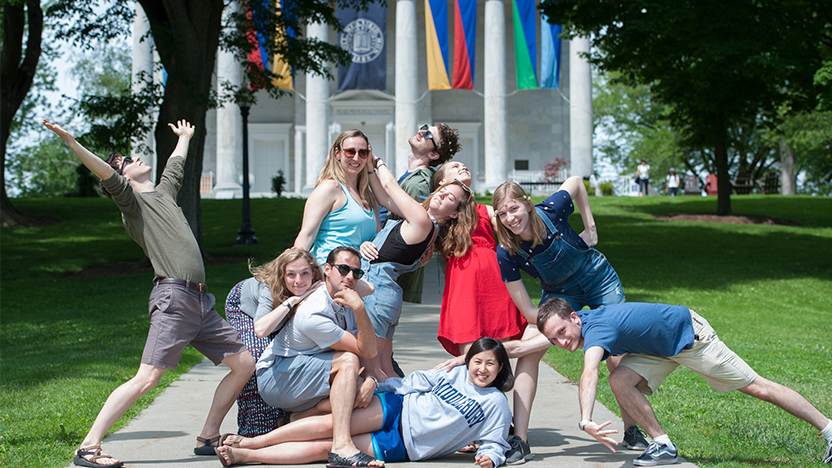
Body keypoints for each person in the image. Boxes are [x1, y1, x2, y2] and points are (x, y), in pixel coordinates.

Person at [43, 118, 255, 468]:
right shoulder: (132, 204)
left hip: (201, 302)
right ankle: (89, 446)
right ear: (123, 178)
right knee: (148, 378)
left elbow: (175, 167)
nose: (136, 159)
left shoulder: (164, 194)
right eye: (127, 162)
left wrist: (185, 138)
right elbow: (105, 172)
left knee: (244, 362)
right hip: (174, 299)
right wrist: (72, 142)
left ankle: (207, 436)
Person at [538, 298, 832, 466]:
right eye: (554, 339)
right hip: (659, 348)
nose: (562, 341)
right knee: (621, 380)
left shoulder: (597, 328)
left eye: (563, 331)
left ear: (575, 317)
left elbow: (590, 372)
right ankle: (663, 444)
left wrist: (585, 420)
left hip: (690, 338)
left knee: (757, 387)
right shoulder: (585, 326)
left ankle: (829, 428)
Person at [490, 179, 642, 462]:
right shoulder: (506, 252)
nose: (511, 218)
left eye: (514, 208)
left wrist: (591, 226)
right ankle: (520, 440)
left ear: (527, 203)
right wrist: (552, 327)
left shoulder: (552, 209)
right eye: (502, 214)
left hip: (598, 278)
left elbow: (576, 183)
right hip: (560, 293)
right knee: (529, 350)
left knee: (617, 351)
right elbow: (528, 311)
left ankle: (632, 429)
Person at [215, 337, 514, 468]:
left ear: (501, 368)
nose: (483, 369)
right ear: (469, 360)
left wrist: (491, 457)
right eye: (478, 361)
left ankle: (246, 457)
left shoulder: (496, 404)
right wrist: (376, 385)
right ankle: (254, 442)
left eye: (491, 364)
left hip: (407, 444)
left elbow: (495, 442)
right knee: (333, 424)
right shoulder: (455, 371)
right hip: (398, 407)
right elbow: (415, 383)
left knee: (328, 449)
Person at [431, 162, 532, 462]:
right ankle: (469, 424)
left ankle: (496, 422)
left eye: (462, 164)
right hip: (463, 285)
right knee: (469, 354)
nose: (462, 165)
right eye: (453, 167)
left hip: (494, 284)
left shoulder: (488, 210)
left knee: (496, 356)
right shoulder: (440, 213)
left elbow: (515, 238)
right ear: (441, 183)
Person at [254, 246, 382, 467]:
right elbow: (364, 351)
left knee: (358, 386)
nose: (350, 277)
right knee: (348, 362)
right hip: (277, 377)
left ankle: (297, 419)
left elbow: (365, 345)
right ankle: (341, 446)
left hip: (305, 369)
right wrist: (360, 308)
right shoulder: (313, 313)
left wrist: (371, 377)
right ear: (327, 270)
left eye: (356, 272)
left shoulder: (345, 293)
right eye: (343, 269)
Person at [361, 155, 478, 381]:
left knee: (372, 369)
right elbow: (385, 198)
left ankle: (403, 409)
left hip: (375, 294)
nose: (442, 193)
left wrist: (377, 162)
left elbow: (390, 186)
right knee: (385, 367)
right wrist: (368, 170)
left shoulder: (422, 221)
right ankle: (407, 405)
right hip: (386, 296)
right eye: (443, 190)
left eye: (450, 198)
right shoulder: (426, 225)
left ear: (454, 213)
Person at [223, 249, 326, 435]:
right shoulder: (268, 287)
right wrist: (293, 301)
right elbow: (261, 329)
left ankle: (284, 423)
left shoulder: (319, 287)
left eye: (305, 273)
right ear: (282, 275)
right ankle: (253, 429)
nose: (299, 281)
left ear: (314, 273)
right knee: (257, 359)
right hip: (244, 309)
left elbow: (365, 288)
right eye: (291, 275)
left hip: (275, 321)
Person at [379, 123, 462, 304]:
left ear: (433, 155)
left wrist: (377, 164)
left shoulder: (418, 185)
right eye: (424, 127)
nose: (421, 132)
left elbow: (409, 239)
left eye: (428, 135)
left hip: (385, 276)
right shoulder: (411, 177)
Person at [294, 129, 380, 265]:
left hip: (358, 274)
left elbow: (378, 236)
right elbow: (307, 234)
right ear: (337, 153)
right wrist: (295, 269)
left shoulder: (367, 195)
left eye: (363, 153)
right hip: (328, 274)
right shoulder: (329, 188)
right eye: (350, 151)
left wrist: (366, 244)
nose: (356, 158)